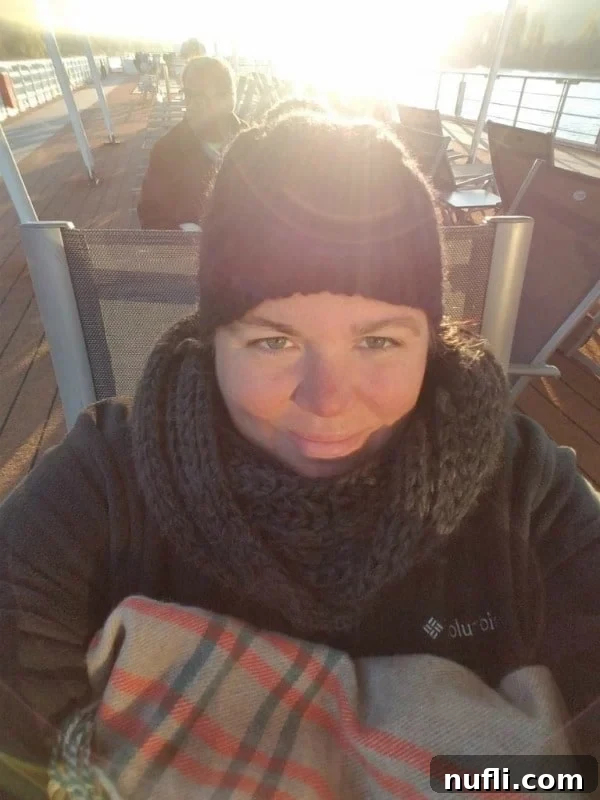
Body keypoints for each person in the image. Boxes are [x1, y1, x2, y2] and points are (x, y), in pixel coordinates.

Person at [1, 112, 600, 798]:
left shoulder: (523, 488)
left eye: (378, 341)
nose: (328, 400)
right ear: (212, 341)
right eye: (274, 342)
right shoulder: (108, 478)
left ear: (430, 342)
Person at [137, 56, 245, 230]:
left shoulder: (256, 145)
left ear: (228, 99)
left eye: (201, 97)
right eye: (188, 95)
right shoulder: (166, 151)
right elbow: (151, 216)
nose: (191, 105)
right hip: (188, 246)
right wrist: (179, 233)